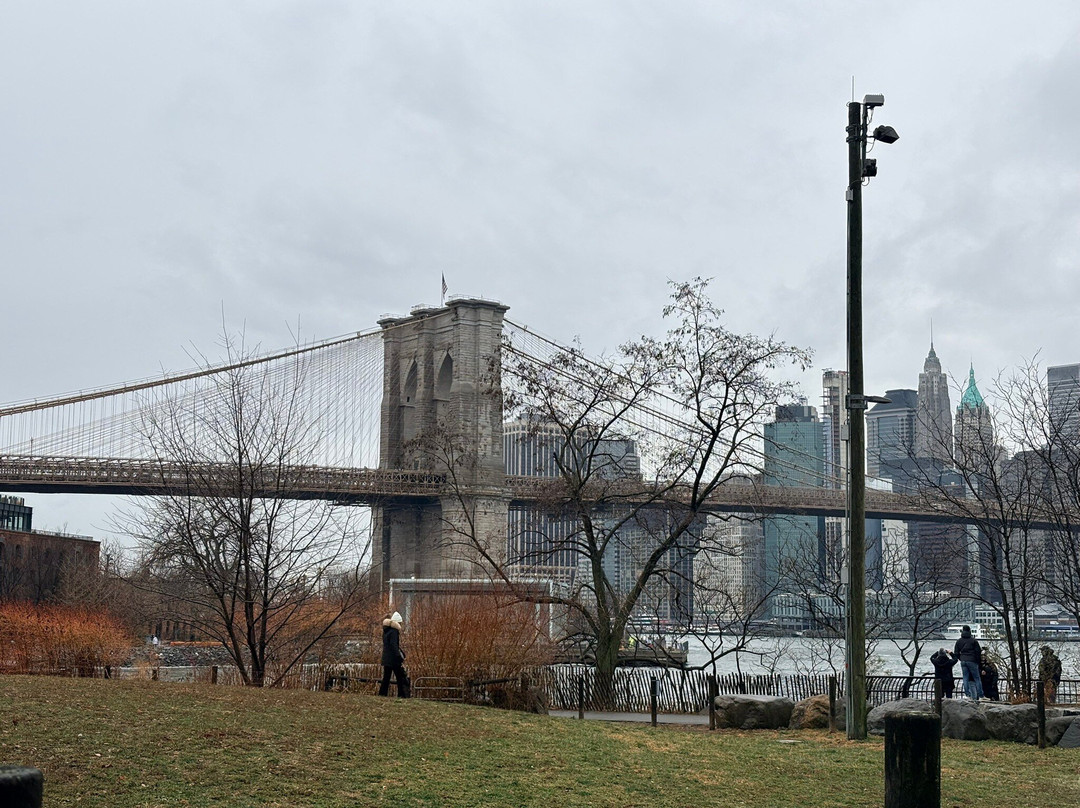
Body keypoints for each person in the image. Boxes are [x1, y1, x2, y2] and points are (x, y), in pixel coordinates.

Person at [378, 611, 411, 698]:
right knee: (399, 677)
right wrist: (399, 656)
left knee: (386, 678)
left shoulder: (386, 631)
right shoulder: (394, 632)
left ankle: (382, 693)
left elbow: (389, 645)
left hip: (386, 658)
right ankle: (401, 694)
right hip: (393, 659)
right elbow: (394, 645)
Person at [954, 625, 983, 700]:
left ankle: (967, 694)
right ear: (969, 631)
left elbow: (956, 653)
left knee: (965, 677)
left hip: (963, 660)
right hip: (972, 660)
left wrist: (961, 658)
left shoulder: (959, 641)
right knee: (977, 678)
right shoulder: (973, 640)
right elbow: (978, 652)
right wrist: (978, 662)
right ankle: (980, 695)